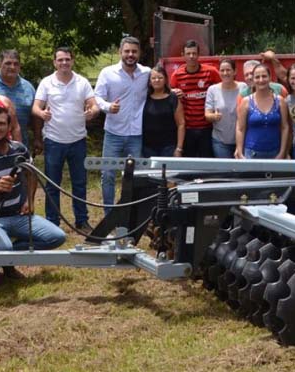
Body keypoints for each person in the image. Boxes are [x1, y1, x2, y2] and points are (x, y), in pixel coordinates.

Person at [0, 106, 67, 288]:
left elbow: (31, 174)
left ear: (9, 126)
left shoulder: (19, 150)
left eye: (2, 124)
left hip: (17, 215)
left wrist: (29, 200)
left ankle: (1, 259)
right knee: (4, 249)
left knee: (57, 237)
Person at [32, 47, 99, 229]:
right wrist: (42, 113)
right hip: (54, 141)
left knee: (80, 183)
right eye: (60, 60)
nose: (64, 63)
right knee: (53, 184)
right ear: (54, 62)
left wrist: (92, 112)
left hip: (78, 141)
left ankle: (82, 220)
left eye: (67, 59)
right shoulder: (47, 83)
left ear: (72, 61)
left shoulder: (82, 82)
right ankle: (53, 222)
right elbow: (35, 107)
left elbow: (94, 105)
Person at [94, 36, 151, 212]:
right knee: (108, 174)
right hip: (113, 133)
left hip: (137, 134)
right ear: (120, 52)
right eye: (127, 51)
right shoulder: (107, 73)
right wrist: (108, 107)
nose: (130, 55)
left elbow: (161, 85)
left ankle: (130, 212)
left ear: (139, 53)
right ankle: (109, 214)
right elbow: (97, 97)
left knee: (135, 175)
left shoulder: (146, 73)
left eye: (134, 51)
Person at [0, 50, 41, 153]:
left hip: (19, 145)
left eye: (16, 64)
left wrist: (37, 138)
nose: (12, 67)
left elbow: (35, 117)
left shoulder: (28, 87)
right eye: (8, 63)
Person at [170, 40, 221, 157]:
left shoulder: (211, 72)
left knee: (207, 164)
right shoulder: (177, 75)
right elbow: (170, 98)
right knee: (189, 165)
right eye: (188, 54)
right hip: (187, 128)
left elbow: (222, 90)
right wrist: (173, 92)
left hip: (208, 128)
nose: (191, 56)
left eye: (194, 53)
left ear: (199, 54)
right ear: (183, 55)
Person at [235, 63, 290, 159]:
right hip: (251, 154)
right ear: (253, 79)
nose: (261, 80)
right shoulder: (246, 102)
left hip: (275, 153)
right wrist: (240, 152)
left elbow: (285, 127)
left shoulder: (280, 101)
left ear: (270, 77)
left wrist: (282, 152)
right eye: (257, 77)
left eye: (264, 76)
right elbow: (240, 128)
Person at [142, 65, 185, 157]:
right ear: (149, 81)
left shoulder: (173, 98)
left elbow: (181, 124)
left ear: (165, 79)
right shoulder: (144, 98)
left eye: (160, 77)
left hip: (169, 147)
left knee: (168, 171)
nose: (157, 80)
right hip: (147, 147)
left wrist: (179, 148)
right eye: (153, 78)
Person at [205, 58, 243, 158]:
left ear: (235, 71)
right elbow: (207, 114)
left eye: (228, 70)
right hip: (220, 141)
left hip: (242, 140)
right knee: (225, 172)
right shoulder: (212, 90)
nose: (225, 73)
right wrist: (213, 116)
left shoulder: (243, 87)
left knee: (242, 172)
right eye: (222, 70)